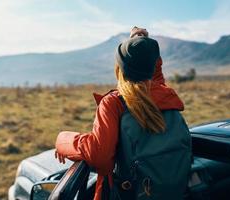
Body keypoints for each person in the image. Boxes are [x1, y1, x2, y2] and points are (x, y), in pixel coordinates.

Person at [55, 27, 192, 200]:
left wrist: (63, 140)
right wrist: (141, 45)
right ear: (153, 64)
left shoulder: (114, 103)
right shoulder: (164, 95)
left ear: (120, 68)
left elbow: (100, 156)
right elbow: (152, 74)